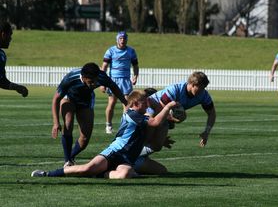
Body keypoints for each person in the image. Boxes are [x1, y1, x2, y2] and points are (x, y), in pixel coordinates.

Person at [31, 90, 177, 179]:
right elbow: (156, 122)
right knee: (86, 169)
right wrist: (169, 106)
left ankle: (101, 174)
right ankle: (48, 174)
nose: (147, 104)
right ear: (134, 104)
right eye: (144, 102)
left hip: (127, 157)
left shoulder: (142, 116)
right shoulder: (132, 114)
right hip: (115, 151)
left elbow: (150, 128)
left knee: (124, 175)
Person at [135, 71, 216, 175]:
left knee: (157, 147)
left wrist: (206, 132)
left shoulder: (203, 95)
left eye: (204, 88)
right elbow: (159, 108)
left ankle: (135, 159)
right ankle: (129, 156)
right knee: (151, 137)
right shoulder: (175, 89)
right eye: (200, 88)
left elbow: (212, 114)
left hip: (164, 114)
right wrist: (173, 119)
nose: (202, 91)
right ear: (192, 84)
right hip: (149, 108)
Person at [51, 62, 127, 167]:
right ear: (83, 77)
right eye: (91, 81)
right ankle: (67, 160)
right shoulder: (70, 78)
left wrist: (125, 102)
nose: (94, 84)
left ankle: (71, 157)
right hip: (69, 99)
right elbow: (56, 99)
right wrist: (56, 122)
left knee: (85, 138)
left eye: (96, 81)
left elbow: (114, 87)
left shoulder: (101, 76)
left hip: (86, 102)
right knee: (68, 125)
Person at [100, 31, 139, 134]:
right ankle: (108, 125)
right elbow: (104, 67)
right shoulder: (110, 51)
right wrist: (102, 82)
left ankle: (125, 126)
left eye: (124, 38)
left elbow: (135, 65)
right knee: (111, 103)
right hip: (113, 80)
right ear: (117, 39)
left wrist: (135, 76)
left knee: (127, 104)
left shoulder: (131, 51)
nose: (123, 40)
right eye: (121, 38)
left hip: (125, 80)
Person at [0, 21, 28, 97]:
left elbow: (1, 81)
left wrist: (16, 87)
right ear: (3, 34)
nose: (10, 38)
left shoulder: (2, 55)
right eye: (10, 34)